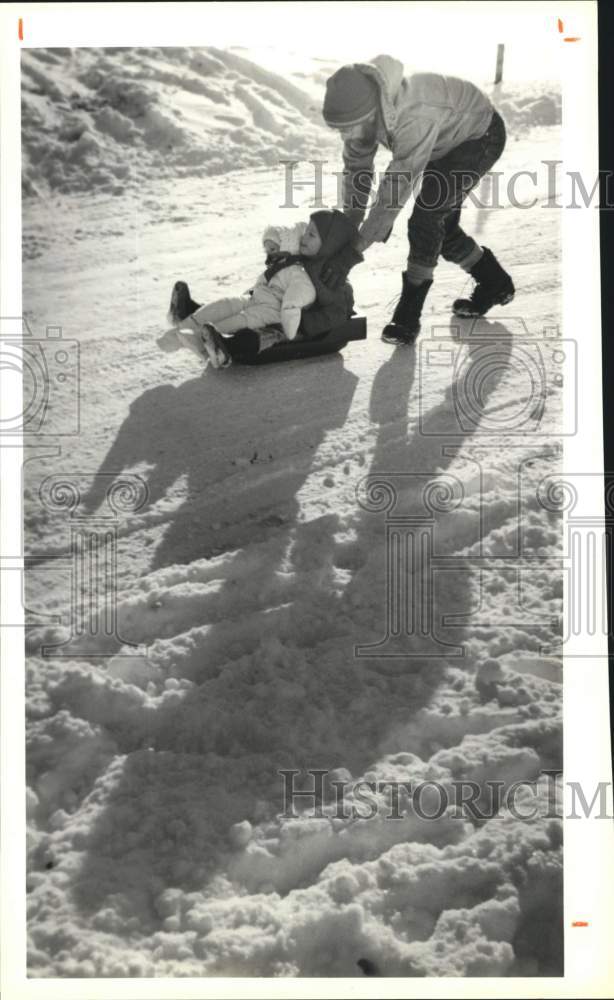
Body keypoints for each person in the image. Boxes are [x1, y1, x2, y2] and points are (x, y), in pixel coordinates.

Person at [320, 55, 515, 344]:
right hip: (443, 139)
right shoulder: (364, 117)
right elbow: (357, 172)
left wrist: (353, 253)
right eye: (340, 129)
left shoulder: (414, 114)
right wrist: (350, 224)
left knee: (427, 218)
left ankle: (408, 316)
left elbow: (394, 192)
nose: (345, 135)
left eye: (349, 127)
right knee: (442, 230)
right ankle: (495, 283)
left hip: (479, 136)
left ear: (371, 112)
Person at [159, 209, 357, 368]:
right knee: (231, 304)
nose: (304, 237)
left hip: (293, 323)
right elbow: (282, 264)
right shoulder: (304, 258)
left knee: (259, 333)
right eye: (306, 231)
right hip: (269, 303)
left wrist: (305, 322)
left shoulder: (334, 279)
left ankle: (223, 346)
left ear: (328, 245)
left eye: (311, 234)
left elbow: (337, 312)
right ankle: (194, 312)